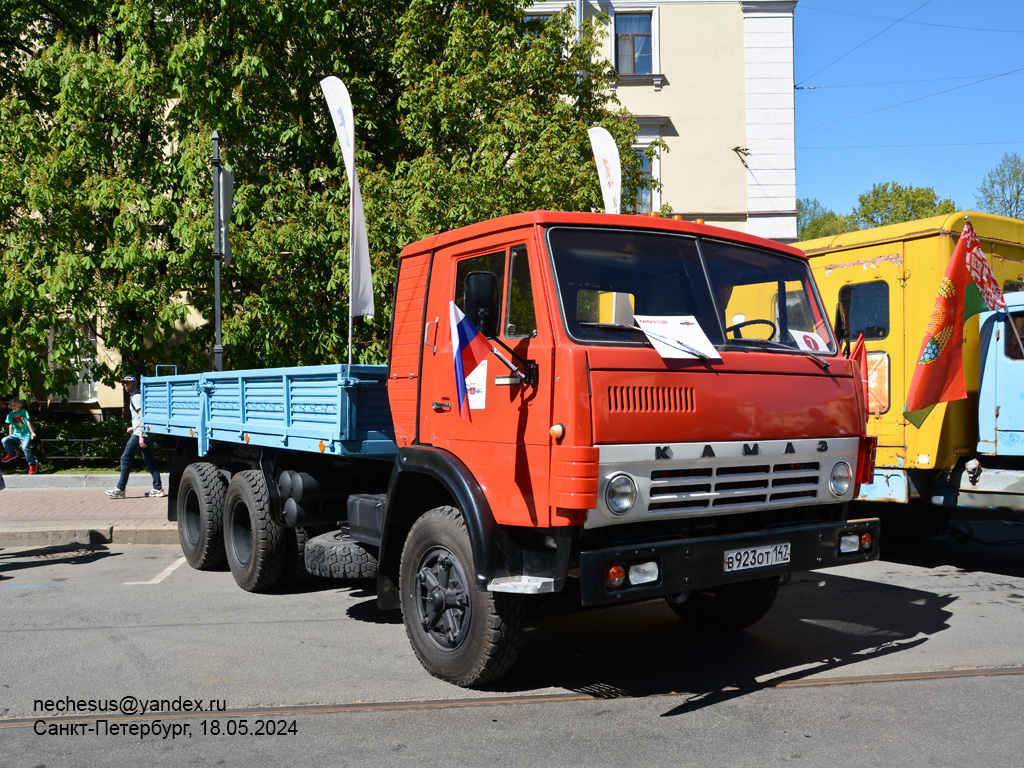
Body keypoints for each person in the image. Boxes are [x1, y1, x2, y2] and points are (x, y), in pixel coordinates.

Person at [104, 375, 164, 499]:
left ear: (135, 384)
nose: (125, 385)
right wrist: (133, 427)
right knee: (150, 460)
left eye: (128, 383)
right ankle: (157, 488)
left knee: (125, 458)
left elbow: (143, 416)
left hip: (140, 434)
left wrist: (141, 436)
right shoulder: (136, 396)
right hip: (142, 432)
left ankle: (120, 489)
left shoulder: (136, 397)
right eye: (124, 383)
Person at [2, 395, 38, 475]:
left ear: (20, 404)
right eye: (11, 406)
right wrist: (10, 435)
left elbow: (28, 422)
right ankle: (12, 453)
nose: (12, 407)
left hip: (25, 435)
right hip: (16, 434)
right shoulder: (10, 414)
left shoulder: (24, 411)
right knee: (4, 440)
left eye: (14, 405)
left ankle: (32, 463)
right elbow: (10, 425)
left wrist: (32, 433)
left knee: (25, 447)